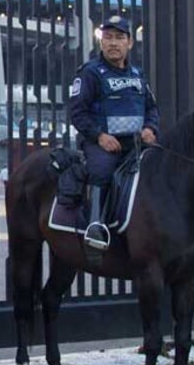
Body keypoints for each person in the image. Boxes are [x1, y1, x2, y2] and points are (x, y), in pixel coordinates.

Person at [67, 15, 160, 249]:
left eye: (119, 37)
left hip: (137, 144)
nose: (113, 43)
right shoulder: (90, 73)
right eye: (108, 37)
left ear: (130, 43)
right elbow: (77, 112)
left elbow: (152, 108)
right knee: (102, 170)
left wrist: (150, 128)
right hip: (101, 143)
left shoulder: (137, 75)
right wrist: (99, 136)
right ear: (101, 42)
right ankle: (95, 226)